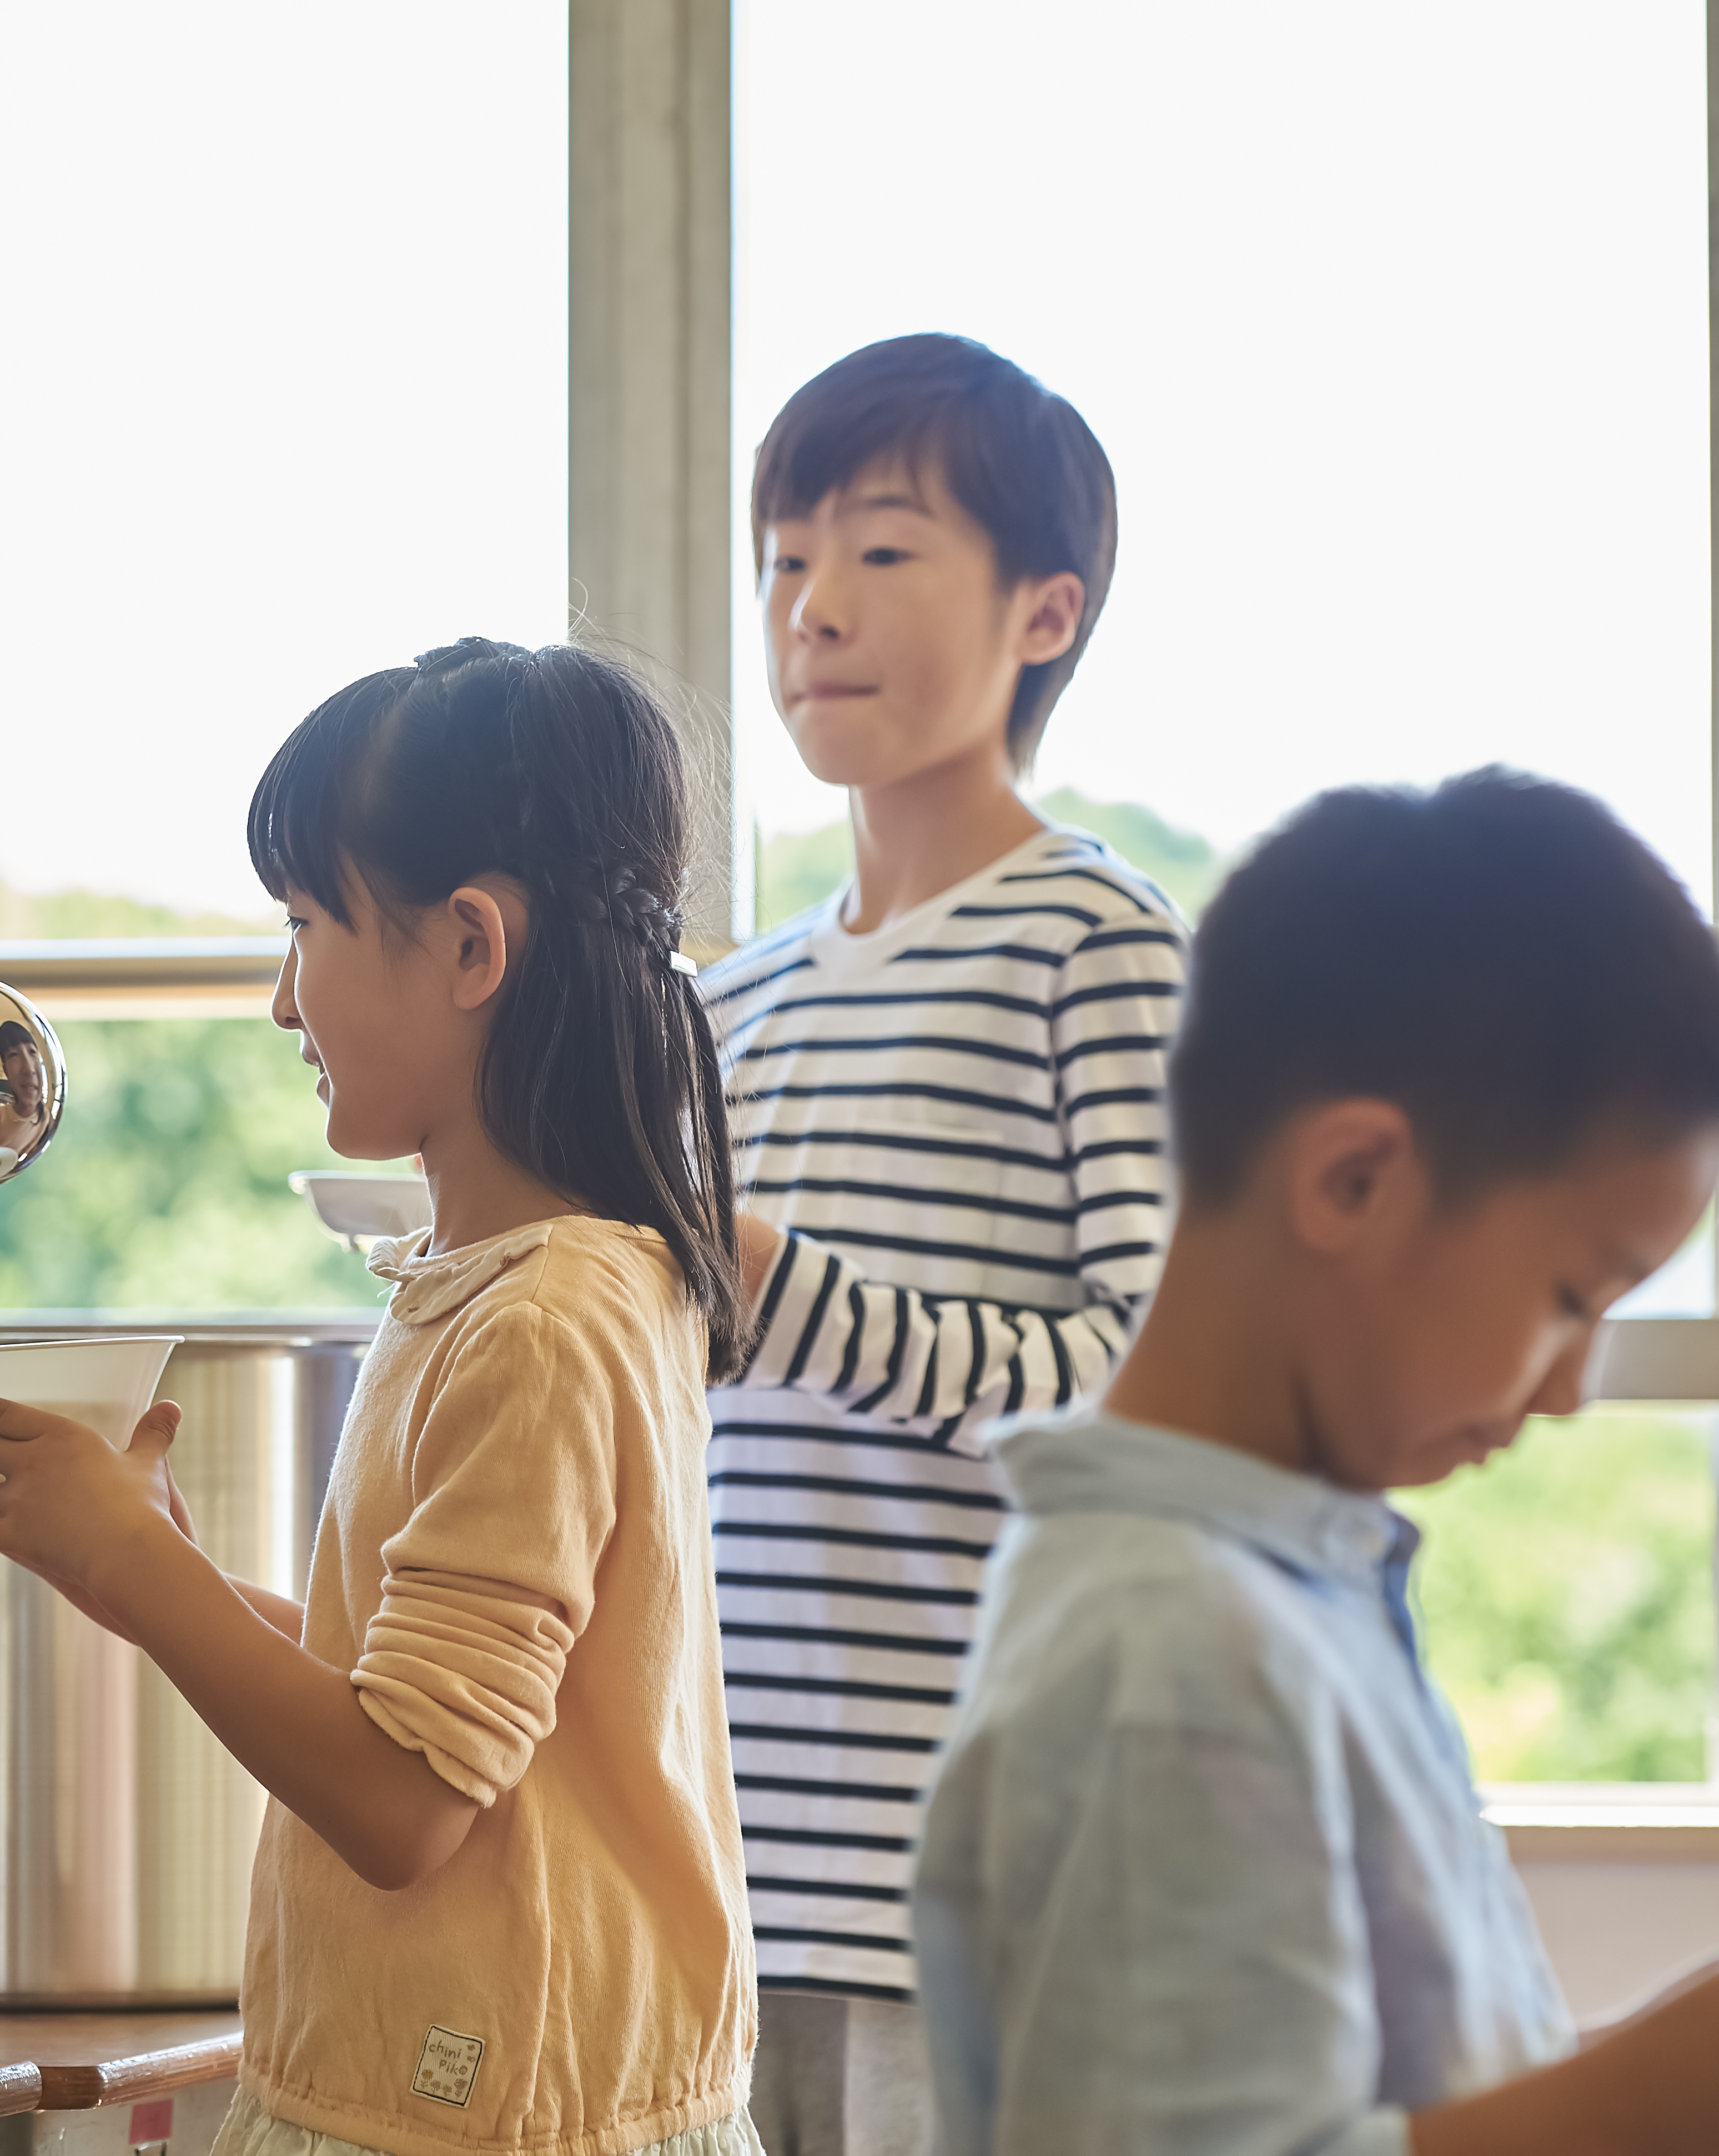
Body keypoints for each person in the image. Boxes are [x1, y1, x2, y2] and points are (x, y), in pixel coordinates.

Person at [913, 771, 1719, 2156]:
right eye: (1575, 1294)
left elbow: (1342, 2101)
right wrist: (1617, 2119)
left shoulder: (1276, 1589)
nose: (1572, 1388)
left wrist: (1681, 2082)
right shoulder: (1167, 1646)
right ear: (1351, 1183)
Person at [0, 640, 758, 2156]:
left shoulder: (543, 1318)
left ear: (474, 947)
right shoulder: (512, 1281)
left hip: (491, 2117)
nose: (281, 997)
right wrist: (153, 1571)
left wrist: (141, 1569)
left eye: (303, 923)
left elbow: (407, 1803)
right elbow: (448, 1712)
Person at [694, 332, 1184, 2147]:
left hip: (987, 1886)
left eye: (882, 551)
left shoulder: (1095, 941)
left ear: (1042, 612)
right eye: (782, 557)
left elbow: (1149, 1398)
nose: (812, 606)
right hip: (724, 1874)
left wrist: (792, 1300)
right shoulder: (721, 1004)